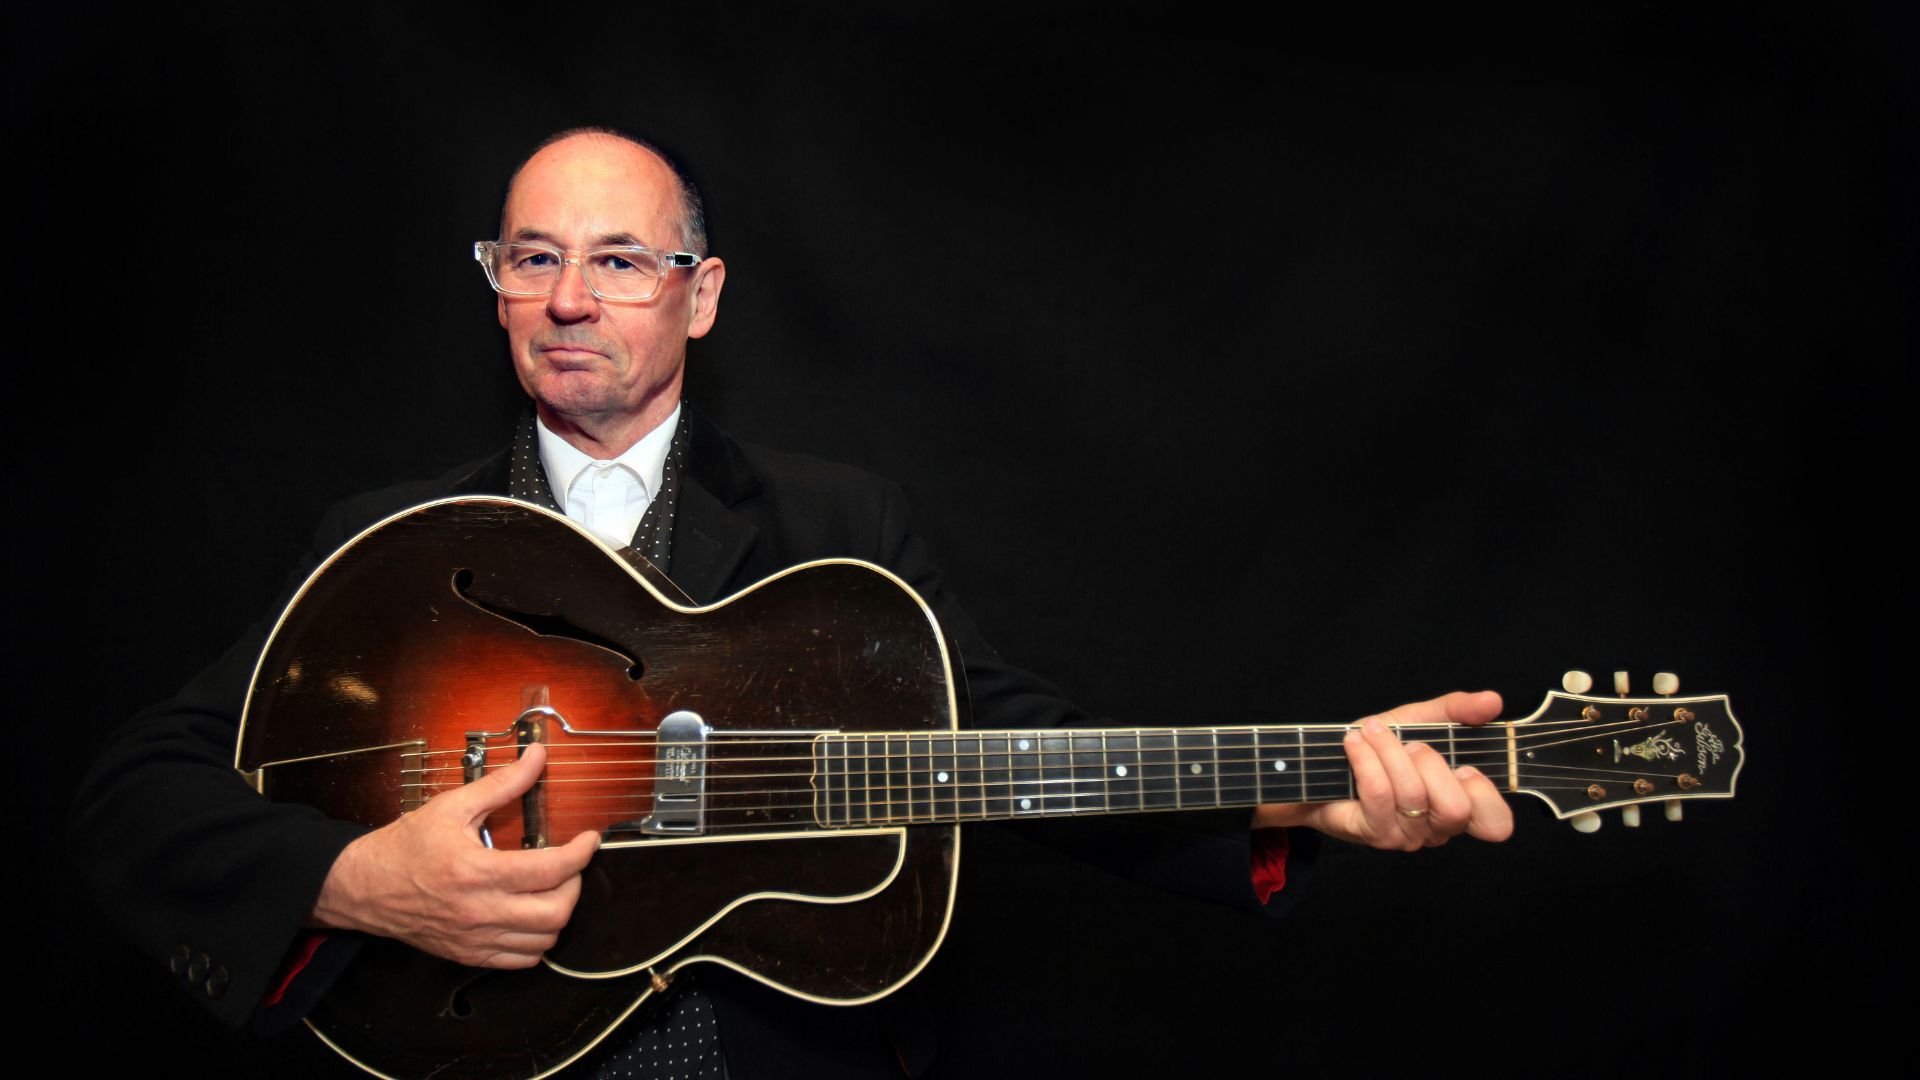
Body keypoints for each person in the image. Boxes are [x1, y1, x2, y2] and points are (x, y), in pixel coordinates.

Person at [71, 128, 1513, 1077]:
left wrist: (1304, 791)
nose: (571, 297)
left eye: (619, 260)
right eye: (533, 258)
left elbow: (1016, 742)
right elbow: (136, 792)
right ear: (499, 291)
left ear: (699, 296)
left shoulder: (841, 528)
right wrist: (353, 881)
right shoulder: (394, 548)